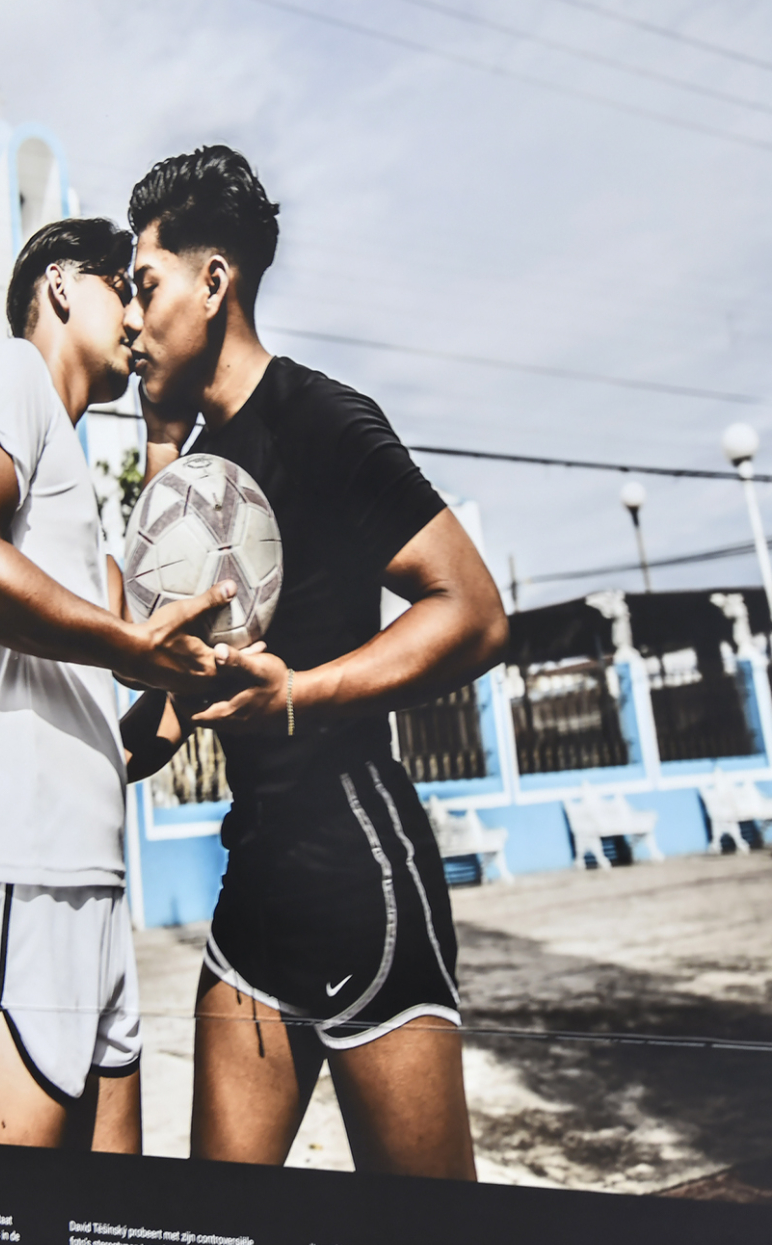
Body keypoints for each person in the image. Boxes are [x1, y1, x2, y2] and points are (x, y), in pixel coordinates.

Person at [123, 145, 508, 1179]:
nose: (127, 318)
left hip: (359, 875)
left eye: (143, 287)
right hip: (256, 884)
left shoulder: (322, 420)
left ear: (216, 282)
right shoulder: (196, 470)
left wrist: (302, 693)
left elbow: (472, 611)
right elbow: (166, 706)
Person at [0, 217, 229, 1152]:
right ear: (56, 286)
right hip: (21, 875)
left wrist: (180, 682)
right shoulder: (12, 375)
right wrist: (138, 646)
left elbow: (138, 673)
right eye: (121, 286)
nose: (135, 313)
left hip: (95, 885)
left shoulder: (77, 477)